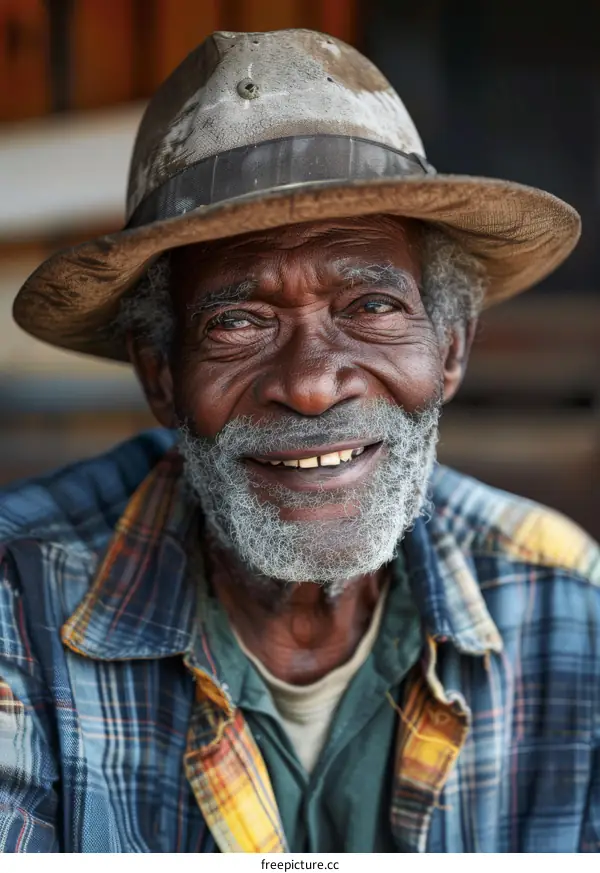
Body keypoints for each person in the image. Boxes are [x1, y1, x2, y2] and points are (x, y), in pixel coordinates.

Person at [1, 29, 598, 854]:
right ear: (162, 376)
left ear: (452, 348)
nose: (313, 383)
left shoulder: (568, 607)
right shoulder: (17, 609)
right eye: (238, 321)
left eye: (372, 306)